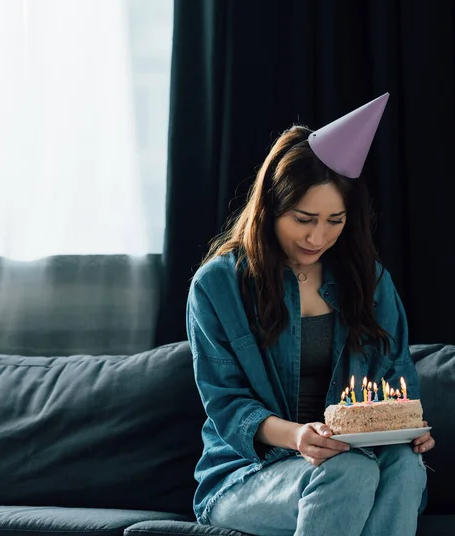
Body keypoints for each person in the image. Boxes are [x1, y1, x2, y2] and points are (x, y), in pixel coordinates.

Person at [186, 93, 435, 536]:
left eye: (334, 221)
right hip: (248, 475)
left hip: (359, 460)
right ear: (271, 208)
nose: (318, 237)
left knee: (405, 465)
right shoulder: (218, 286)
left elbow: (398, 377)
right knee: (347, 470)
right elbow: (226, 403)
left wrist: (410, 430)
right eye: (303, 219)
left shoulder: (370, 282)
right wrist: (300, 437)